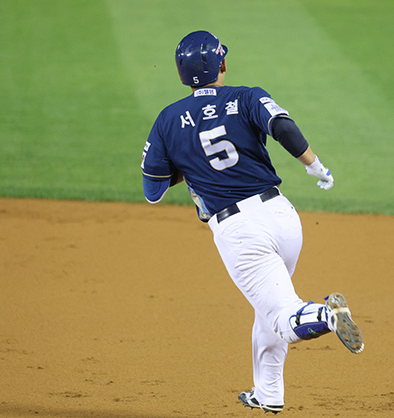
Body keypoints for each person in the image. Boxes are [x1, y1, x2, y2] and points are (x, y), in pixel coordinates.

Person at [140, 30, 364, 414]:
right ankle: (268, 394)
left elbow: (153, 191)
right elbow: (283, 128)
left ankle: (327, 315)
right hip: (283, 218)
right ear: (221, 64)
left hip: (241, 233)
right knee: (267, 310)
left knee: (282, 315)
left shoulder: (167, 120)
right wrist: (315, 165)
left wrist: (187, 164)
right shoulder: (246, 96)